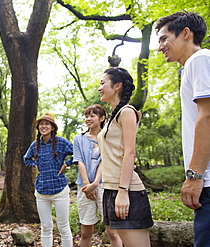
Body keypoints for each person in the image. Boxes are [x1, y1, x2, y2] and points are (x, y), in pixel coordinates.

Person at [155, 11, 210, 247]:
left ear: (186, 33)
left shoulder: (200, 59)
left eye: (164, 38)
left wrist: (196, 176)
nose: (160, 47)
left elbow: (207, 117)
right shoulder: (193, 66)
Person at [97, 67, 153, 247]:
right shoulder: (112, 118)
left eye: (103, 83)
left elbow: (130, 152)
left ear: (117, 86)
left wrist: (123, 191)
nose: (99, 88)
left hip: (126, 191)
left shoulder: (127, 112)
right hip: (111, 188)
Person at [73, 104, 122, 247]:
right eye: (86, 116)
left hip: (106, 185)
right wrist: (87, 185)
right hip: (84, 186)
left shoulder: (107, 137)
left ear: (102, 118)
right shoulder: (79, 139)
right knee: (86, 233)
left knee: (113, 232)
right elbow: (79, 160)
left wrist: (95, 184)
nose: (88, 119)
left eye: (92, 116)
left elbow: (105, 161)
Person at [23, 113, 73, 247]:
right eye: (41, 124)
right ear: (38, 127)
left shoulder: (61, 142)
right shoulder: (35, 145)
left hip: (60, 190)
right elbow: (26, 158)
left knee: (63, 227)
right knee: (45, 227)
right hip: (41, 192)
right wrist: (35, 165)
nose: (43, 126)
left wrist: (66, 164)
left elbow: (78, 153)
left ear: (52, 127)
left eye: (47, 124)